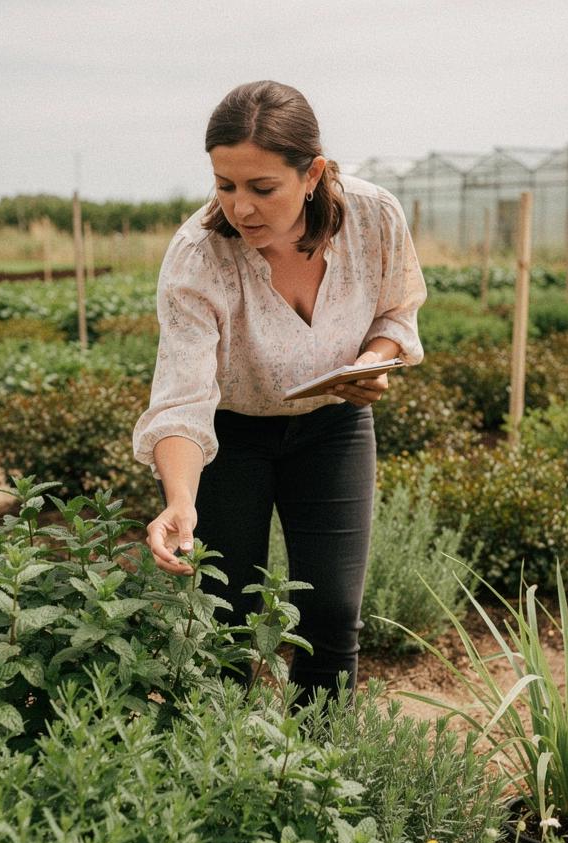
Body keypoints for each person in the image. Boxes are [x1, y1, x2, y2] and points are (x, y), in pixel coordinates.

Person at [132, 80, 426, 700]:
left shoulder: (374, 218)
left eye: (262, 188)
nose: (241, 208)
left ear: (313, 172)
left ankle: (323, 772)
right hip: (231, 437)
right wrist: (180, 499)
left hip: (333, 426)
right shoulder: (199, 257)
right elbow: (182, 398)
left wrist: (373, 361)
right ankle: (225, 771)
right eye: (224, 184)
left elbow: (397, 313)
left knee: (331, 614)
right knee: (225, 619)